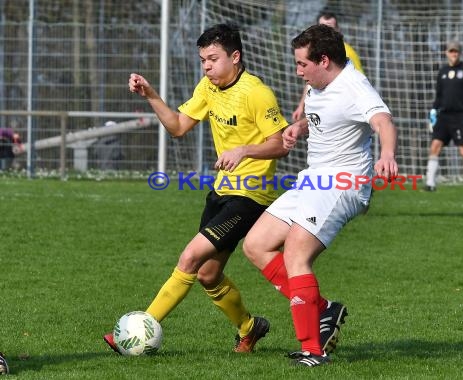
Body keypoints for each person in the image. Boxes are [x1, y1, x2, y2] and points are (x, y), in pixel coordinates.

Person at [103, 23, 290, 354]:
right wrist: (151, 95)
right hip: (221, 192)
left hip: (249, 197)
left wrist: (244, 150)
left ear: (235, 57)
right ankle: (249, 327)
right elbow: (177, 126)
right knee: (207, 274)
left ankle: (137, 331)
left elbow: (280, 144)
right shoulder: (208, 87)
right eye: (203, 59)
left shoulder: (256, 93)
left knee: (189, 257)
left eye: (213, 59)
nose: (207, 66)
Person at [242, 24, 398, 367]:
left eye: (302, 64)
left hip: (344, 182)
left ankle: (313, 350)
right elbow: (323, 117)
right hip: (313, 180)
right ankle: (323, 309)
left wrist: (387, 154)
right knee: (256, 245)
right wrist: (299, 126)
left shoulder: (353, 85)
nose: (298, 72)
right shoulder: (318, 85)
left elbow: (383, 120)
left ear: (324, 60)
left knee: (296, 250)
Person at [424, 40, 463, 192]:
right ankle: (430, 184)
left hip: (461, 116)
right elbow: (438, 95)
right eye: (451, 51)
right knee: (435, 146)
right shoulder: (442, 72)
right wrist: (433, 112)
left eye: (456, 51)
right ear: (446, 53)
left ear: (460, 53)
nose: (453, 54)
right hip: (443, 116)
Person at [291, 10, 364, 122]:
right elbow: (310, 80)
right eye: (322, 28)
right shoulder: (313, 52)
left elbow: (359, 83)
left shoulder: (347, 52)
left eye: (330, 28)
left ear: (337, 30)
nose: (325, 32)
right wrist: (301, 106)